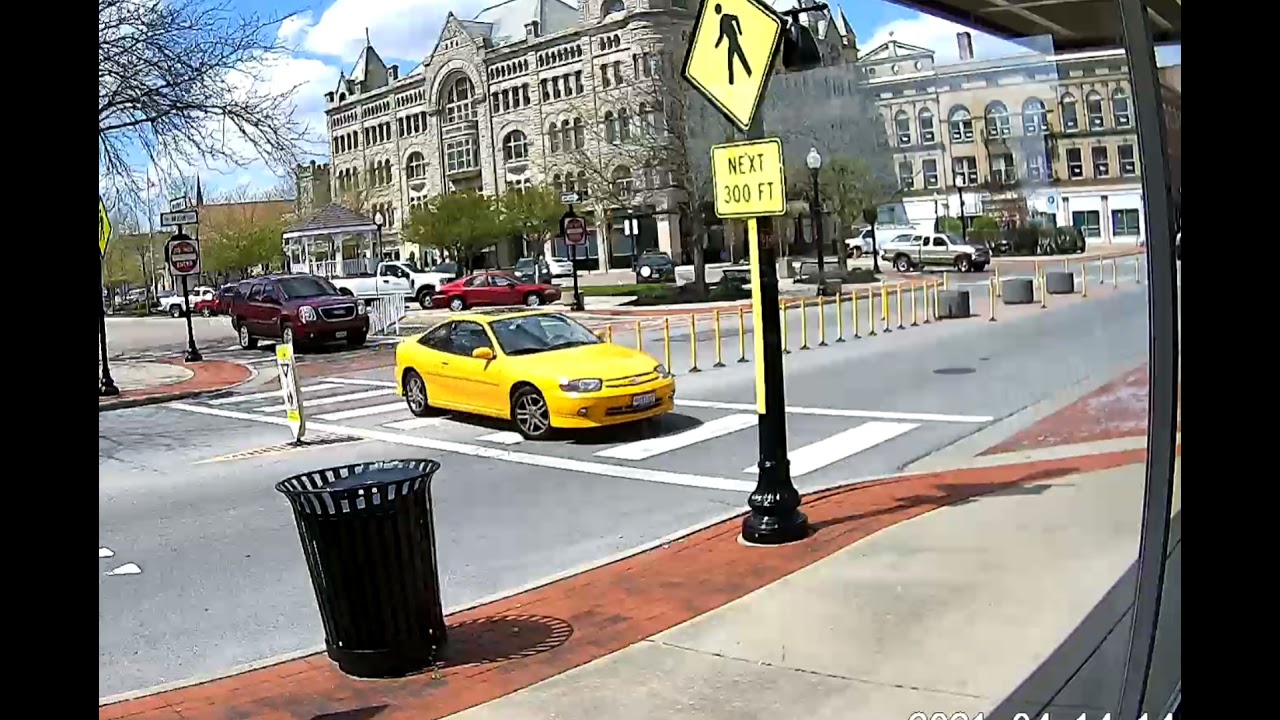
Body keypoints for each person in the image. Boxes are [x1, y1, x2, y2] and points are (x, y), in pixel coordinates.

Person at [714, 3, 751, 85]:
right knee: (734, 61)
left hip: (734, 42)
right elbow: (721, 36)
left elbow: (736, 18)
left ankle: (747, 75)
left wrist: (739, 30)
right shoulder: (722, 23)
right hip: (732, 43)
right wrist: (716, 45)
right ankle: (732, 81)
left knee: (738, 60)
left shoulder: (725, 17)